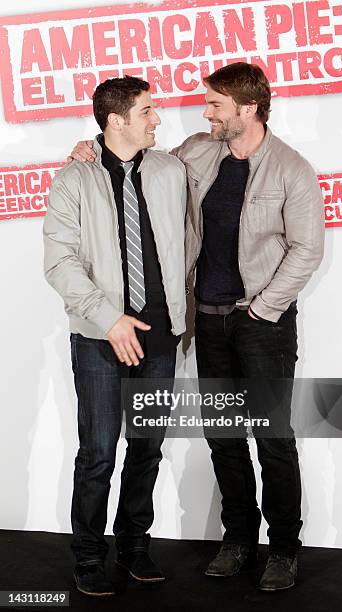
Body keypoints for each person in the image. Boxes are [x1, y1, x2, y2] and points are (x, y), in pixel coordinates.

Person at [69, 62, 325, 591]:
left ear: (248, 108)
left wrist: (261, 308)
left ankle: (283, 549)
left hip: (262, 325)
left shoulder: (292, 169)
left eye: (214, 105)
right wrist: (86, 147)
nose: (203, 113)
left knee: (273, 438)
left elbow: (306, 250)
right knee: (224, 437)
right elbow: (133, 159)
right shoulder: (198, 152)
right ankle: (238, 538)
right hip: (208, 323)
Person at [44, 76, 186, 596]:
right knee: (98, 453)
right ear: (115, 121)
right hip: (100, 337)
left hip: (159, 336)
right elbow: (59, 263)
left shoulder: (172, 169)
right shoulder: (73, 179)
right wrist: (108, 317)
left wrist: (170, 312)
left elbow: (186, 242)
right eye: (147, 111)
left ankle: (134, 546)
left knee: (147, 447)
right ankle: (87, 557)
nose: (157, 119)